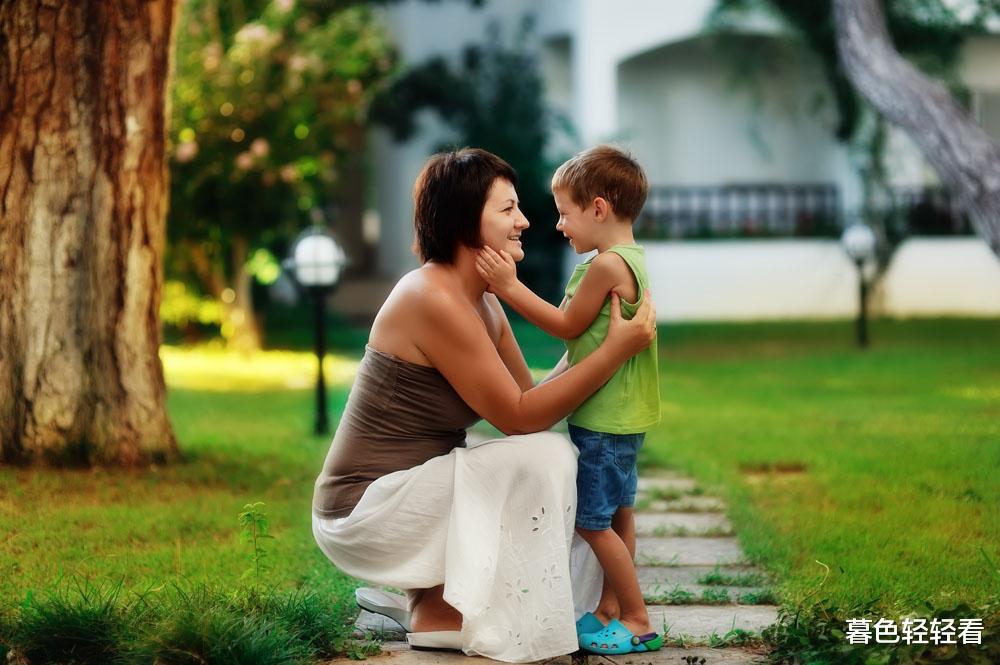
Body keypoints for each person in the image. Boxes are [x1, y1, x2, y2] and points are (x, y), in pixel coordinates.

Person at [310, 147, 656, 663]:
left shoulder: (483, 300)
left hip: (415, 489)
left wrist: (601, 347)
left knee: (555, 456)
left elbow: (533, 399)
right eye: (508, 209)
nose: (525, 221)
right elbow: (519, 418)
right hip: (365, 509)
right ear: (464, 220)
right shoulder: (431, 296)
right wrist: (612, 353)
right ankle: (441, 607)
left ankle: (435, 606)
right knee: (549, 458)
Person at [475, 145, 662, 655]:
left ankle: (638, 619)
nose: (558, 226)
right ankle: (608, 609)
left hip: (603, 422)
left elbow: (565, 325)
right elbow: (587, 345)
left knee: (592, 523)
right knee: (620, 515)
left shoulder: (605, 267)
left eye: (565, 213)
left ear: (598, 209)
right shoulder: (631, 259)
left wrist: (508, 288)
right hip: (623, 417)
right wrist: (541, 388)